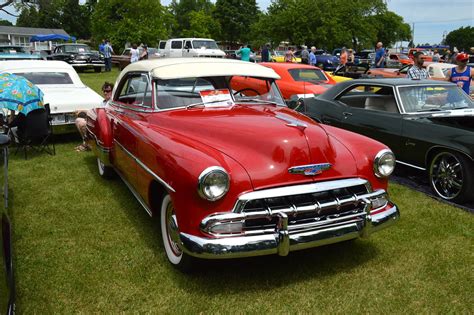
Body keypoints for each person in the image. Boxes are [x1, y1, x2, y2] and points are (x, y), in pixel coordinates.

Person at [75, 82, 114, 152]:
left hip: (103, 127)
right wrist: (82, 110)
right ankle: (86, 143)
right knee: (78, 120)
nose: (105, 93)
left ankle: (87, 145)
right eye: (104, 91)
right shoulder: (103, 102)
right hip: (97, 122)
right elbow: (95, 112)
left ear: (112, 91)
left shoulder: (111, 103)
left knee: (81, 123)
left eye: (108, 91)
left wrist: (83, 111)